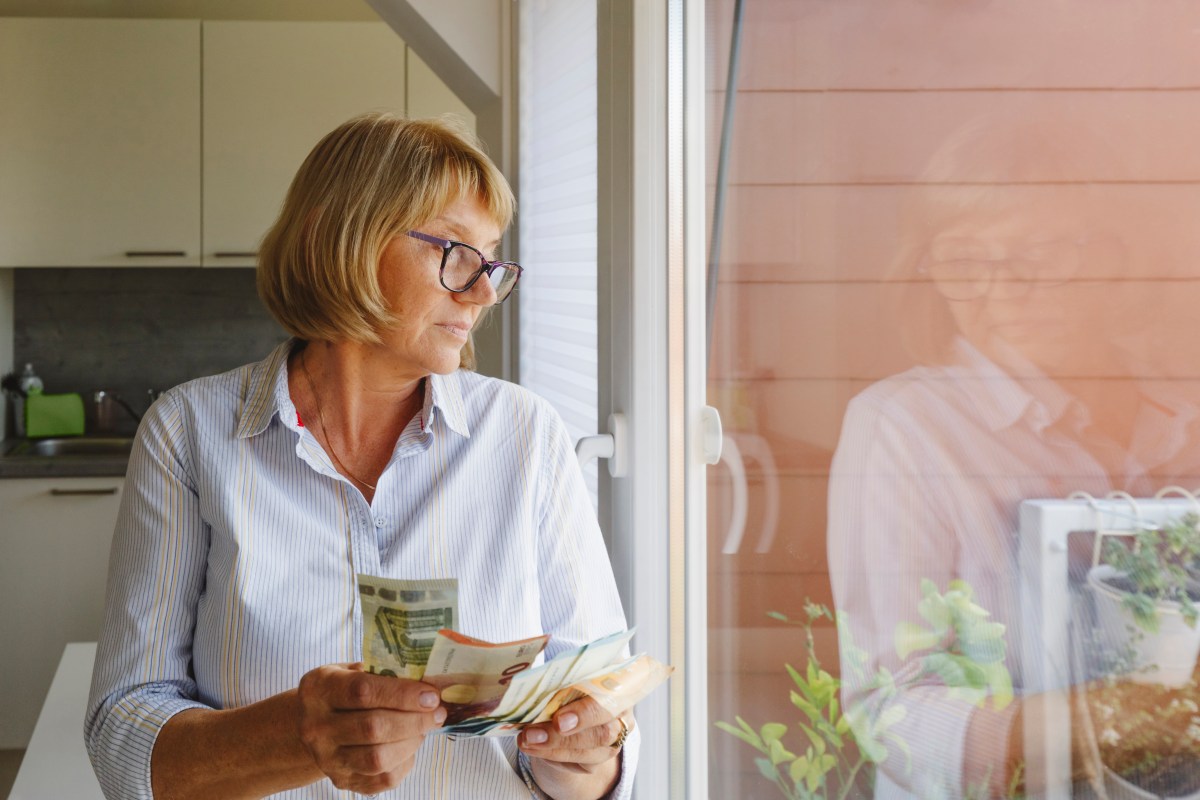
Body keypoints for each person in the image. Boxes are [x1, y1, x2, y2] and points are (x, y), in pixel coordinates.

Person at [85, 111, 639, 800]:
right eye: (454, 251)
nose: (484, 290)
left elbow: (601, 719)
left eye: (492, 260)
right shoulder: (188, 433)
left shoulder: (527, 435)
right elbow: (122, 740)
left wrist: (587, 752)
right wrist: (300, 735)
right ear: (337, 237)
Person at [827, 109, 1200, 798]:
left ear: (1116, 257)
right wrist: (1112, 718)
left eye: (1044, 252)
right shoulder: (904, 428)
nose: (1004, 288)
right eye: (966, 260)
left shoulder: (1186, 412)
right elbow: (891, 708)